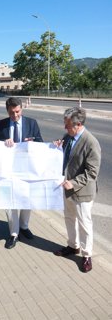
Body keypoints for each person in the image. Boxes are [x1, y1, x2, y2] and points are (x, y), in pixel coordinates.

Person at [54, 107, 101, 273]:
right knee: (69, 218)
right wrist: (57, 146)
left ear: (78, 124)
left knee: (84, 224)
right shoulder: (68, 136)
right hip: (67, 189)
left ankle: (87, 255)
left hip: (82, 192)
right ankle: (73, 246)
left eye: (68, 125)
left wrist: (73, 183)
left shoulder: (91, 143)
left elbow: (92, 172)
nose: (65, 128)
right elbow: (65, 155)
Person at [0, 96, 43, 249]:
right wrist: (3, 143)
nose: (15, 116)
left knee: (27, 199)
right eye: (11, 113)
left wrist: (32, 143)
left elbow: (40, 142)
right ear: (7, 111)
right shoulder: (1, 125)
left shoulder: (31, 123)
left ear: (22, 108)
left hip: (27, 168)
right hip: (8, 169)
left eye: (17, 111)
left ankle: (24, 226)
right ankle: (13, 233)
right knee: (10, 201)